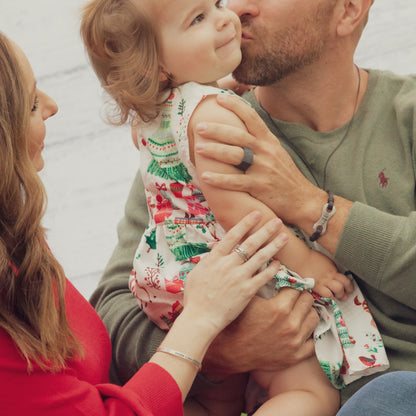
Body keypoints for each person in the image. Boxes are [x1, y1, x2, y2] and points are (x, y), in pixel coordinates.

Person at [81, 0, 390, 415]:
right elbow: (240, 215)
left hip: (178, 275)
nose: (226, 17)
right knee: (308, 392)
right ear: (155, 68)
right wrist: (307, 263)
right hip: (235, 275)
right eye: (198, 19)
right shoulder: (214, 115)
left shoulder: (153, 117)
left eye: (215, 4)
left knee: (217, 401)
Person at [0, 30, 292, 415]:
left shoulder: (13, 239)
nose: (53, 107)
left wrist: (196, 104)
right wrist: (203, 319)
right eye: (33, 103)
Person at [189, 0, 416, 410]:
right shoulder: (207, 134)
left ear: (347, 10)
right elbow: (117, 308)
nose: (236, 8)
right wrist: (222, 345)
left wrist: (309, 205)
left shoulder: (408, 115)